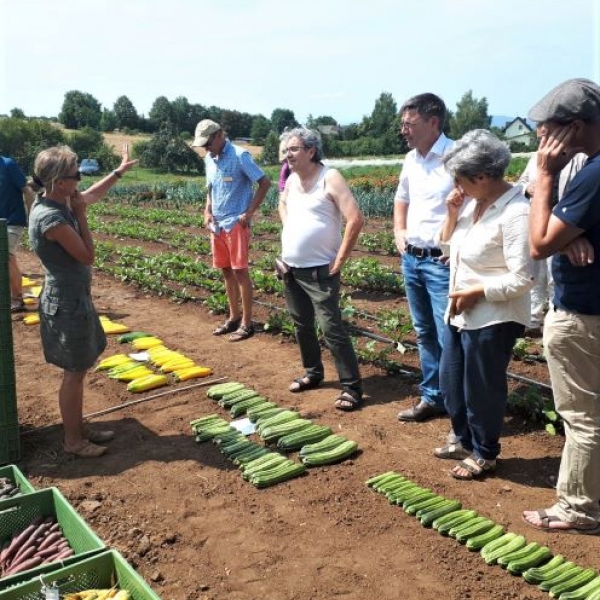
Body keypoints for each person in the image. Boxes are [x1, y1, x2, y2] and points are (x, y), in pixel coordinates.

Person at [433, 129, 534, 480]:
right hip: (459, 312)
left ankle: (485, 452)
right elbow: (447, 249)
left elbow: (525, 277)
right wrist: (450, 214)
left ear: (480, 176)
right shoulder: (472, 205)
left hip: (494, 316)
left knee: (482, 387)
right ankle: (463, 439)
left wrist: (478, 291)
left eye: (459, 179)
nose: (456, 186)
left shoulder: (516, 212)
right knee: (451, 382)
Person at [523, 78, 600, 534]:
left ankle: (579, 508)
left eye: (547, 130)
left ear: (573, 127)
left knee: (583, 416)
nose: (540, 140)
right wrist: (574, 231)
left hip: (584, 314)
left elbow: (538, 244)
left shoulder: (591, 173)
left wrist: (546, 175)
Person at [28, 144, 137, 458]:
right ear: (61, 182)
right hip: (65, 304)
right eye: (77, 174)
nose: (81, 179)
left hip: (74, 299)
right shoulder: (53, 218)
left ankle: (78, 426)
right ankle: (73, 441)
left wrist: (119, 171)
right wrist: (81, 216)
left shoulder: (56, 200)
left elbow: (90, 196)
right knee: (74, 373)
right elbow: (88, 256)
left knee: (80, 369)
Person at [278, 128, 364, 411]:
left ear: (311, 151)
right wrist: (290, 228)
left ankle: (351, 387)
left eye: (293, 149)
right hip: (291, 268)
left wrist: (338, 260)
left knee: (331, 328)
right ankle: (313, 373)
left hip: (319, 271)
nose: (287, 155)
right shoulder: (291, 180)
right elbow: (281, 202)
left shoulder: (331, 177)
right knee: (302, 325)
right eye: (286, 150)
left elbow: (355, 219)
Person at [393, 93, 455, 422]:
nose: (404, 130)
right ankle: (433, 397)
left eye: (409, 124)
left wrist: (456, 247)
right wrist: (398, 232)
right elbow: (401, 198)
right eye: (403, 124)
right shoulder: (411, 160)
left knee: (449, 335)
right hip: (412, 259)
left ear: (433, 122)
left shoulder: (456, 156)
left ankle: (459, 404)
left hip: (441, 262)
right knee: (424, 332)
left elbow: (475, 203)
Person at [192, 119, 271, 342]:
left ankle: (247, 323)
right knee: (226, 271)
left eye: (207, 142)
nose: (205, 148)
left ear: (219, 135)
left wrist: (249, 213)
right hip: (216, 225)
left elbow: (264, 183)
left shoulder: (240, 156)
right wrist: (207, 211)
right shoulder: (209, 158)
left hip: (236, 223)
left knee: (240, 272)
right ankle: (233, 317)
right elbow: (211, 188)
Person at [518, 151, 586, 333]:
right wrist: (527, 188)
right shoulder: (536, 158)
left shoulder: (580, 158)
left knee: (554, 275)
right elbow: (520, 182)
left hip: (561, 225)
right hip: (537, 222)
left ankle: (552, 322)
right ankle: (532, 320)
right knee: (534, 273)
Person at [0, 155, 35, 312]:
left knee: (6, 255)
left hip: (12, 221)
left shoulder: (7, 164)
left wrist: (32, 217)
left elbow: (27, 190)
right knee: (8, 257)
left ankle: (17, 299)